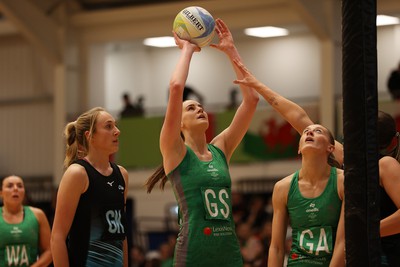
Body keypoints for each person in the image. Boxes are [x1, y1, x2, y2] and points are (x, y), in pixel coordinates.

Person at [145, 18, 259, 267]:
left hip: (228, 254)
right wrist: (187, 48)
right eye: (191, 108)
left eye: (201, 106)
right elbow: (176, 87)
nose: (200, 109)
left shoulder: (221, 149)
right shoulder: (175, 152)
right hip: (194, 254)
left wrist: (231, 51)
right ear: (180, 123)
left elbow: (251, 99)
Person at [233, 61, 345, 266]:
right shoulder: (283, 187)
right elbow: (275, 248)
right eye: (305, 132)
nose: (310, 131)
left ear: (331, 147)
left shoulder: (343, 181)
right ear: (299, 148)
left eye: (318, 131)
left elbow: (343, 244)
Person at [51, 107, 129, 266]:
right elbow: (57, 237)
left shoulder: (122, 174)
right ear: (90, 136)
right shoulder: (77, 174)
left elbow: (122, 234)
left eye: (115, 125)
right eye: (108, 126)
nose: (117, 131)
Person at [0, 175, 52, 266]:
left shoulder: (38, 215)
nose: (16, 189)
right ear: (1, 193)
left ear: (24, 192)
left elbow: (50, 250)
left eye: (20, 186)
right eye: (10, 186)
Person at [375, 110, 400, 266]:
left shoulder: (385, 164)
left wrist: (365, 232)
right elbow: (302, 120)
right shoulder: (348, 162)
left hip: (386, 255)